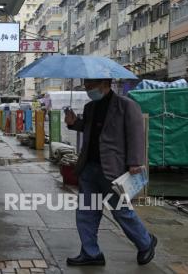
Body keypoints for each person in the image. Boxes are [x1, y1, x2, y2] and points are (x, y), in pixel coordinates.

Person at [64, 79, 157, 266]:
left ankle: (146, 242)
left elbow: (136, 134)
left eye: (91, 85)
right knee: (86, 212)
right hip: (89, 168)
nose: (88, 89)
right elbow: (89, 129)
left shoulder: (127, 105)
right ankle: (91, 253)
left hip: (114, 170)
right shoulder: (90, 107)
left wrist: (135, 162)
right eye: (86, 85)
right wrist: (74, 123)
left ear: (105, 83)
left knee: (120, 211)